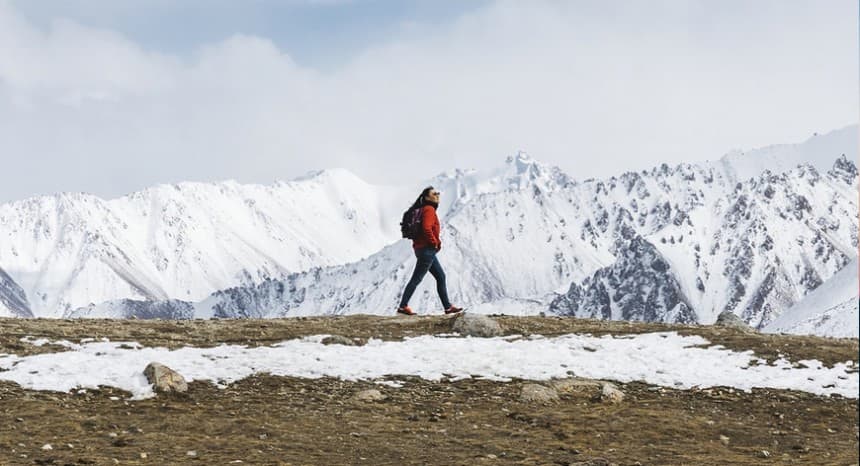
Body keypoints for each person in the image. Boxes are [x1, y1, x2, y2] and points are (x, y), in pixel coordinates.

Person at [397, 187, 463, 316]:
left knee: (440, 276)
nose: (437, 195)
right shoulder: (429, 210)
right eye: (434, 193)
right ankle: (403, 306)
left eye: (438, 193)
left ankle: (448, 307)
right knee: (416, 279)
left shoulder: (422, 210)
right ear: (427, 198)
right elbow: (426, 228)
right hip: (427, 250)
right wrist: (435, 243)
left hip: (422, 249)